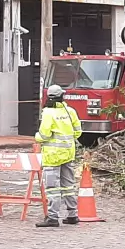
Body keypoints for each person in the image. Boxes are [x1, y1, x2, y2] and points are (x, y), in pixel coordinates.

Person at [34, 84, 83, 228]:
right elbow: (78, 132)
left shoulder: (48, 113)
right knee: (68, 185)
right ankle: (72, 215)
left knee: (52, 188)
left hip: (53, 156)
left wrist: (36, 137)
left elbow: (44, 135)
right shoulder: (70, 111)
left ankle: (53, 218)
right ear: (62, 96)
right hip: (68, 154)